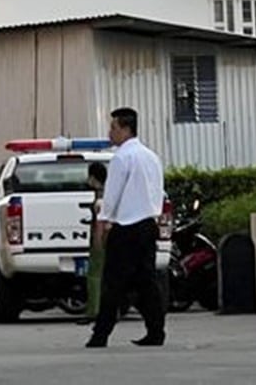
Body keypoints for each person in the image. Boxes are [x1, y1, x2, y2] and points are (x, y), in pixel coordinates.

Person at [86, 107, 167, 349]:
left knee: (113, 283)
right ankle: (156, 330)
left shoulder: (122, 158)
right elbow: (157, 192)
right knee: (146, 281)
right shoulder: (151, 157)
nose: (110, 133)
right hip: (148, 224)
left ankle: (101, 334)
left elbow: (112, 196)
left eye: (113, 127)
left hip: (126, 227)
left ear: (125, 129)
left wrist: (103, 222)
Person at [81, 162, 108, 325]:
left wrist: (97, 240)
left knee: (94, 275)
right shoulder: (108, 191)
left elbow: (100, 221)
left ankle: (94, 310)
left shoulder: (101, 197)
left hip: (101, 238)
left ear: (93, 177)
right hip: (110, 238)